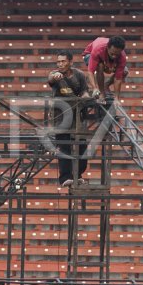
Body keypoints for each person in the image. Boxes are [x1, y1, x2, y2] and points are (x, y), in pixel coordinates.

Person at [46, 52, 91, 187]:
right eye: (58, 62)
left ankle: (78, 175)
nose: (60, 64)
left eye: (63, 61)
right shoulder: (55, 74)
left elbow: (84, 91)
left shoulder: (79, 75)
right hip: (61, 117)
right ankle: (65, 177)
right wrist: (55, 77)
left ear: (70, 62)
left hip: (77, 115)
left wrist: (85, 96)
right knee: (64, 147)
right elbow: (51, 79)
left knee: (82, 146)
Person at [83, 36, 128, 103]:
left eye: (117, 55)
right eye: (112, 53)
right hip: (90, 54)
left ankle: (106, 85)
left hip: (105, 60)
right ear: (107, 47)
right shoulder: (98, 50)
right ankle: (102, 92)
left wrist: (116, 98)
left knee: (124, 71)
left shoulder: (122, 56)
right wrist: (94, 88)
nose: (114, 56)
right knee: (100, 66)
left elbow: (118, 78)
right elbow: (90, 71)